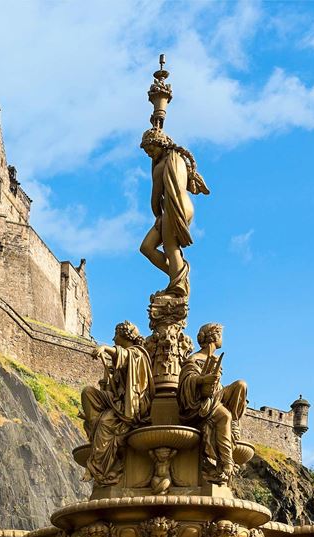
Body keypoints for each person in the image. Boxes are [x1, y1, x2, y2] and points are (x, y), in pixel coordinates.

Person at [80, 321, 154, 486]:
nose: (113, 338)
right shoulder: (122, 358)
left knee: (106, 422)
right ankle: (95, 426)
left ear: (124, 335)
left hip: (133, 405)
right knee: (88, 393)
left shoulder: (137, 354)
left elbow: (125, 356)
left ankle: (97, 468)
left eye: (116, 334)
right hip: (117, 401)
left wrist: (105, 348)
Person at [139, 128, 209, 297]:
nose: (149, 154)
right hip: (186, 207)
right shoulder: (178, 160)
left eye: (151, 149)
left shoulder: (161, 166)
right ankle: (177, 276)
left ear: (161, 145)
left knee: (171, 247)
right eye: (146, 151)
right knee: (147, 247)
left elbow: (155, 198)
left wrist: (158, 216)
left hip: (174, 207)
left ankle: (178, 285)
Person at [177, 323, 247, 483]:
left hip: (215, 397)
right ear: (213, 337)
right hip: (199, 404)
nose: (222, 338)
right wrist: (203, 380)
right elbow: (185, 382)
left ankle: (234, 423)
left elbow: (217, 387)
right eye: (220, 335)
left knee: (241, 385)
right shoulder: (194, 359)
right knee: (224, 417)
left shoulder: (215, 360)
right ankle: (226, 463)